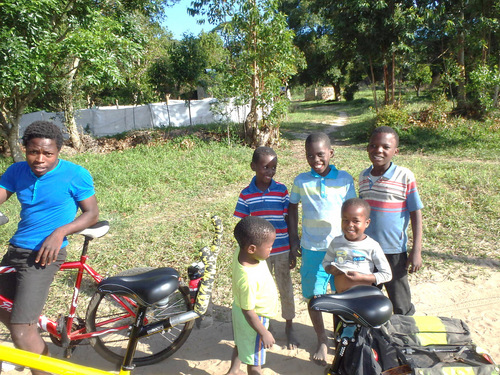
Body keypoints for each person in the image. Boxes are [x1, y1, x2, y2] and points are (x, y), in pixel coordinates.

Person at [0, 121, 99, 375]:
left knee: (21, 329)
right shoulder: (16, 172)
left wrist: (61, 231)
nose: (40, 159)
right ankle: (30, 349)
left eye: (48, 153)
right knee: (3, 307)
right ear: (24, 149)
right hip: (17, 250)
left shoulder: (75, 175)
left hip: (44, 255)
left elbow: (91, 213)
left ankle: (38, 362)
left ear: (58, 152)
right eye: (33, 152)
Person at [288, 132, 356, 365]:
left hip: (340, 250)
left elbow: (353, 210)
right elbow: (292, 207)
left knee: (342, 294)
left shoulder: (345, 179)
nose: (315, 159)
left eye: (320, 154)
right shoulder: (301, 181)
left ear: (331, 153)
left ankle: (339, 335)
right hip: (311, 249)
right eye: (310, 155)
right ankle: (321, 340)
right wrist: (294, 239)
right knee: (315, 296)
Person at [233, 146, 299, 349]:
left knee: (285, 288)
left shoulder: (281, 190)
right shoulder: (246, 195)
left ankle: (289, 325)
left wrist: (292, 244)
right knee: (261, 292)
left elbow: (289, 219)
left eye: (274, 168)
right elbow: (242, 227)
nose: (270, 172)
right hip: (257, 257)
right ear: (253, 166)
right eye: (265, 167)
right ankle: (262, 328)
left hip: (280, 249)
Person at [358, 126, 423, 316]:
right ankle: (376, 339)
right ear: (368, 148)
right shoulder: (363, 176)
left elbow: (415, 213)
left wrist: (416, 250)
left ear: (396, 151)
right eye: (373, 145)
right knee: (370, 299)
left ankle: (404, 340)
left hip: (394, 251)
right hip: (368, 250)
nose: (379, 150)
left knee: (400, 302)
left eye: (386, 147)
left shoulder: (404, 176)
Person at [227, 216, 279, 375]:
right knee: (255, 360)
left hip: (238, 309)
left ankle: (233, 371)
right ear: (251, 248)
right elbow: (248, 311)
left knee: (242, 343)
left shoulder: (243, 253)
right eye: (269, 247)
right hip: (255, 318)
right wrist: (263, 332)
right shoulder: (248, 280)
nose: (271, 249)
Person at [322, 198, 392, 294]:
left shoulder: (372, 246)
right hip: (341, 297)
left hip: (363, 298)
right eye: (345, 220)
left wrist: (362, 277)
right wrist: (331, 269)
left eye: (356, 221)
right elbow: (326, 262)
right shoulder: (336, 242)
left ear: (367, 223)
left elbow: (387, 274)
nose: (350, 225)